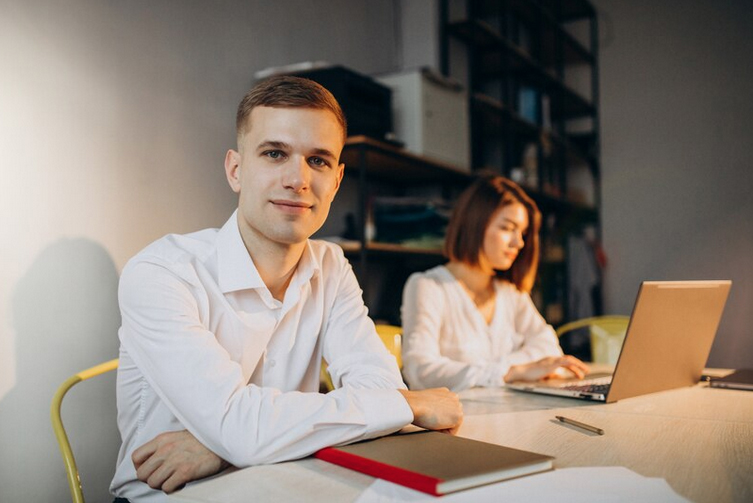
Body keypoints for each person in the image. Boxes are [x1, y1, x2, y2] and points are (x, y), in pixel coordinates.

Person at [110, 76, 463, 502]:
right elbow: (388, 404)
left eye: (318, 161)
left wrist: (222, 447)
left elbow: (379, 388)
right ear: (236, 170)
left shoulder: (330, 265)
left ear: (335, 180)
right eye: (275, 153)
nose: (298, 179)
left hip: (291, 479)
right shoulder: (160, 273)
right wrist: (409, 405)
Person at [401, 174, 589, 392]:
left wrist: (501, 370)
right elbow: (420, 371)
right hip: (457, 421)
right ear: (475, 224)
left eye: (522, 233)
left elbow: (549, 350)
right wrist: (513, 371)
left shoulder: (510, 293)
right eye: (508, 228)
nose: (518, 243)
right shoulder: (428, 286)